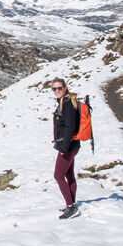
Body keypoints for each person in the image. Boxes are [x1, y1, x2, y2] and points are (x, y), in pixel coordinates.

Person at [51, 78, 81, 219]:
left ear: (65, 88)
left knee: (58, 175)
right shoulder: (67, 101)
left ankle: (71, 207)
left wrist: (64, 147)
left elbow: (70, 126)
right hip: (72, 145)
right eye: (54, 89)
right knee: (69, 175)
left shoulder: (67, 103)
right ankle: (71, 204)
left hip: (68, 146)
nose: (57, 91)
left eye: (59, 88)